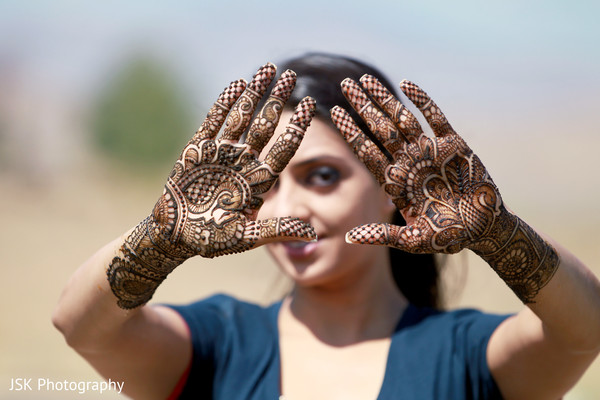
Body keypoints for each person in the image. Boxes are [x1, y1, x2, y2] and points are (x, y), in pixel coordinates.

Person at [52, 52, 600, 400]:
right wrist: (161, 237)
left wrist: (500, 234)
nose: (287, 209)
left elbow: (586, 327)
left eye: (321, 176)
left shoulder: (467, 358)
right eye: (266, 186)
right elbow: (81, 325)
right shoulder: (219, 345)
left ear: (394, 188)